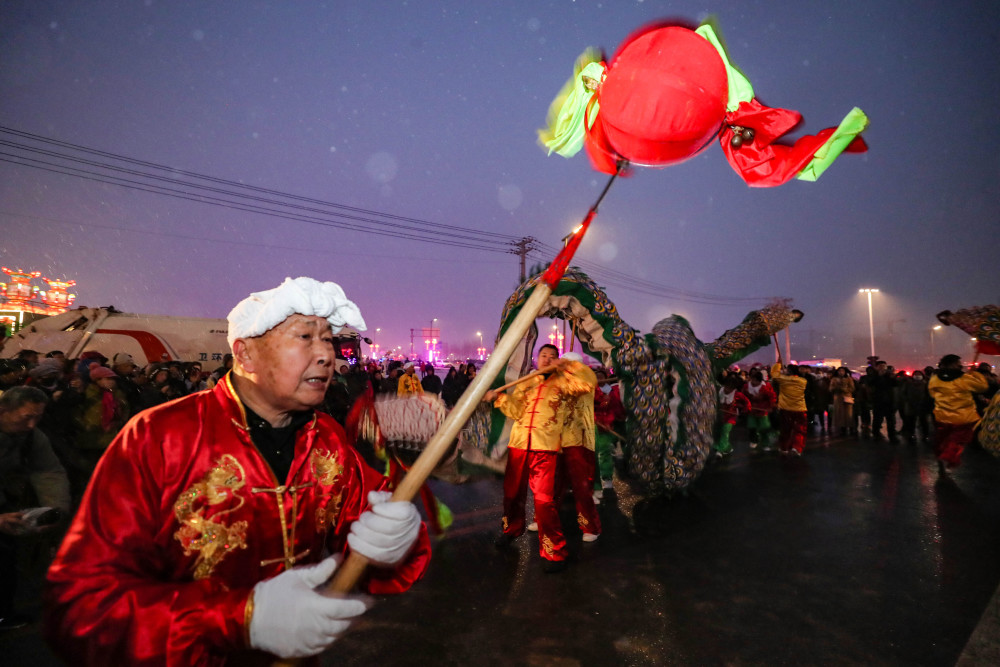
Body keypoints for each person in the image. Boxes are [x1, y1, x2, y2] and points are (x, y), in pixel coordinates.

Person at [45, 276, 430, 664]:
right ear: (245, 355)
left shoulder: (326, 436)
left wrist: (397, 541)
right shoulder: (160, 437)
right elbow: (81, 609)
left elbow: (368, 523)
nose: (326, 355)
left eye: (327, 338)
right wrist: (238, 618)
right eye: (304, 338)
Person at [484, 344, 590, 573]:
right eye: (544, 356)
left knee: (544, 501)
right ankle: (510, 530)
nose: (547, 359)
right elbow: (516, 411)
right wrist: (500, 398)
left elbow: (588, 382)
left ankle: (555, 551)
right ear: (536, 358)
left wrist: (569, 366)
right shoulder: (526, 381)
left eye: (553, 356)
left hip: (546, 448)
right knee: (512, 494)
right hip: (519, 444)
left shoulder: (565, 383)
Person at [0, 387, 71, 631]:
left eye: (37, 417)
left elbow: (49, 471)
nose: (32, 424)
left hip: (6, 504)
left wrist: (55, 510)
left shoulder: (32, 436)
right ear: (3, 411)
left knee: (6, 558)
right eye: (25, 417)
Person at [555, 352, 600, 542]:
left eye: (571, 365)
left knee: (581, 487)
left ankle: (590, 527)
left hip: (579, 440)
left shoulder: (586, 378)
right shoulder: (558, 381)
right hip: (556, 441)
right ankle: (544, 520)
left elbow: (584, 382)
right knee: (553, 485)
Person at [927, 354, 989, 474]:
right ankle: (946, 458)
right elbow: (983, 387)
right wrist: (975, 374)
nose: (960, 365)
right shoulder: (964, 378)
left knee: (942, 439)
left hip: (942, 416)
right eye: (958, 362)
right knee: (958, 441)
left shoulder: (935, 378)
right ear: (954, 364)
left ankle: (941, 456)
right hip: (962, 418)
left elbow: (932, 393)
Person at [770, 361, 808, 456]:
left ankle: (784, 448)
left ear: (789, 371)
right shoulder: (803, 381)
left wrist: (778, 364)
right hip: (800, 408)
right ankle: (797, 447)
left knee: (785, 429)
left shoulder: (783, 379)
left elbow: (774, 374)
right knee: (800, 429)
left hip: (786, 409)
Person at [714, 373, 751, 457]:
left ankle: (720, 450)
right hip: (720, 416)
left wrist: (744, 410)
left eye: (731, 388)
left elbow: (747, 402)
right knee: (718, 431)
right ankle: (727, 448)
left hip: (731, 417)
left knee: (725, 431)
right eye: (727, 386)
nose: (728, 389)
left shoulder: (737, 394)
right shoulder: (719, 391)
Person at [744, 368, 776, 451]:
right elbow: (742, 397)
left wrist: (770, 407)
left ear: (759, 380)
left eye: (755, 381)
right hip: (751, 410)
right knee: (752, 427)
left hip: (762, 410)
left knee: (764, 428)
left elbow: (772, 397)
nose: (753, 382)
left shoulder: (766, 387)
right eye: (752, 379)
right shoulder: (746, 386)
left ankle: (765, 443)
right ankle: (754, 441)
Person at [829, 366, 856, 437]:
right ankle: (841, 427)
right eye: (839, 371)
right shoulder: (834, 379)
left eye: (842, 371)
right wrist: (837, 388)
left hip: (847, 397)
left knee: (848, 413)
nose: (841, 372)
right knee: (839, 413)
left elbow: (852, 388)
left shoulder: (849, 379)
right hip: (838, 398)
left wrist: (845, 389)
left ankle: (850, 426)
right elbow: (831, 388)